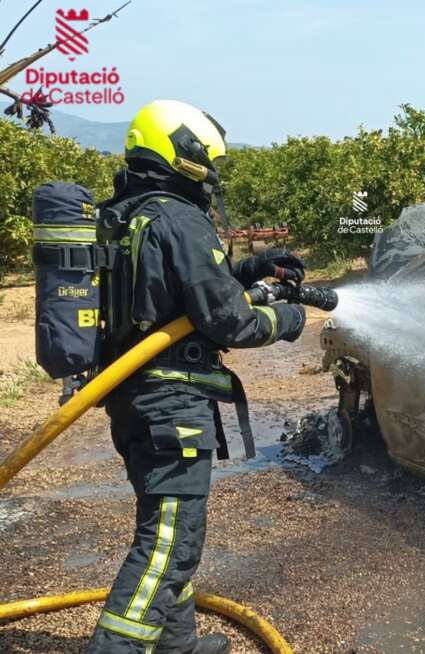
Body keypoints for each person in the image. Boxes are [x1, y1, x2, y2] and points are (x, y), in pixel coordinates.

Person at [86, 100, 307, 654]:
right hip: (171, 405)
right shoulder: (181, 218)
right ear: (181, 152)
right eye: (205, 158)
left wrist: (250, 269)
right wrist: (287, 317)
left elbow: (172, 289)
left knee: (167, 530)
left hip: (135, 400)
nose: (210, 170)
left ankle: (175, 647)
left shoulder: (129, 212)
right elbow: (229, 319)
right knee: (170, 543)